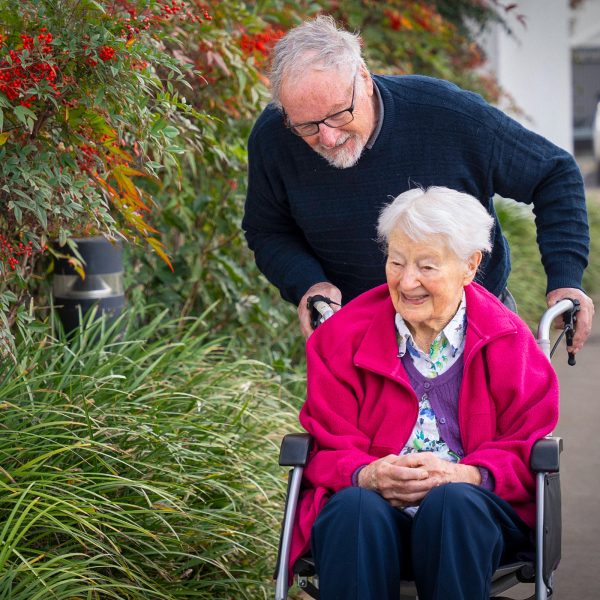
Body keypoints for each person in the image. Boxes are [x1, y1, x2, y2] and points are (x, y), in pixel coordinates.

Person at [242, 15, 594, 351]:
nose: (329, 137)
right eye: (307, 126)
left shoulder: (445, 114)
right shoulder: (274, 138)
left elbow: (554, 174)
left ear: (364, 79)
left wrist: (565, 279)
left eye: (338, 114)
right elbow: (268, 230)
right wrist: (309, 283)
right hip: (361, 337)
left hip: (476, 328)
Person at [289, 186, 559, 599]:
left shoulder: (509, 342)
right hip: (375, 521)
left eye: (427, 267)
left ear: (469, 266)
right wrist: (367, 473)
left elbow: (527, 446)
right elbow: (326, 445)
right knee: (354, 508)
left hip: (471, 521)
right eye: (396, 262)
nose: (407, 280)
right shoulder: (340, 339)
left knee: (453, 503)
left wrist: (467, 475)